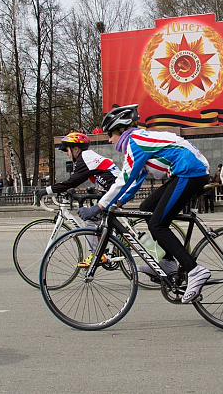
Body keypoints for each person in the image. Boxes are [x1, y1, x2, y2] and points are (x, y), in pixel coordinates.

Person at [94, 104, 211, 304]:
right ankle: (166, 262)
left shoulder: (135, 142)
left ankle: (194, 270)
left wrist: (100, 206)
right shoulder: (139, 140)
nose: (109, 139)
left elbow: (125, 178)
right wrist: (119, 202)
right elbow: (136, 179)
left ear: (121, 130)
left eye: (110, 134)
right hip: (188, 170)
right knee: (147, 208)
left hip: (190, 172)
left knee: (157, 224)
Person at [35, 132, 120, 266]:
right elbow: (77, 180)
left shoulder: (85, 157)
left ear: (76, 149)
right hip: (112, 190)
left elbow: (72, 182)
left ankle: (97, 254)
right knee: (98, 221)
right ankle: (115, 241)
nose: (67, 154)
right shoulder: (87, 157)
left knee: (88, 219)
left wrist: (47, 190)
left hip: (116, 190)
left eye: (67, 150)